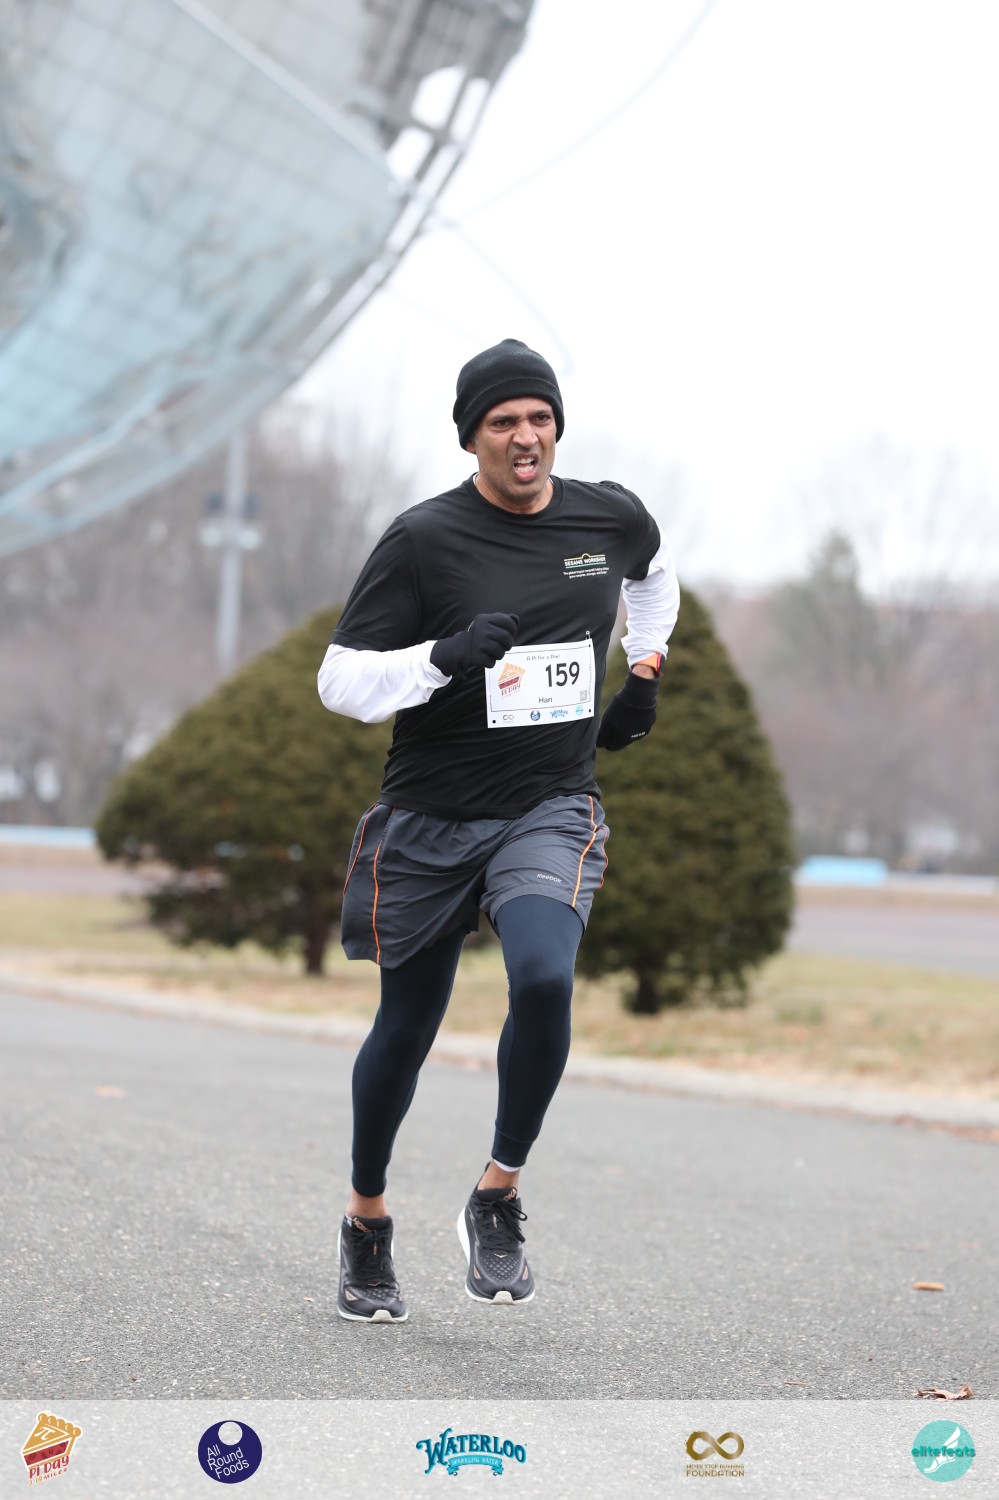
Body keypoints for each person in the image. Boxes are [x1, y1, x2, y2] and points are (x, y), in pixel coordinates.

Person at [318, 338, 680, 1322]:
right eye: (503, 422)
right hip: (431, 815)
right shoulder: (423, 539)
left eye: (539, 419)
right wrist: (442, 656)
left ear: (557, 427)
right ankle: (365, 1220)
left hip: (548, 805)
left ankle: (498, 1192)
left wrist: (644, 672)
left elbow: (652, 576)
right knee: (406, 1027)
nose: (525, 437)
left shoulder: (607, 517)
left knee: (546, 976)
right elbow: (340, 681)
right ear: (472, 437)